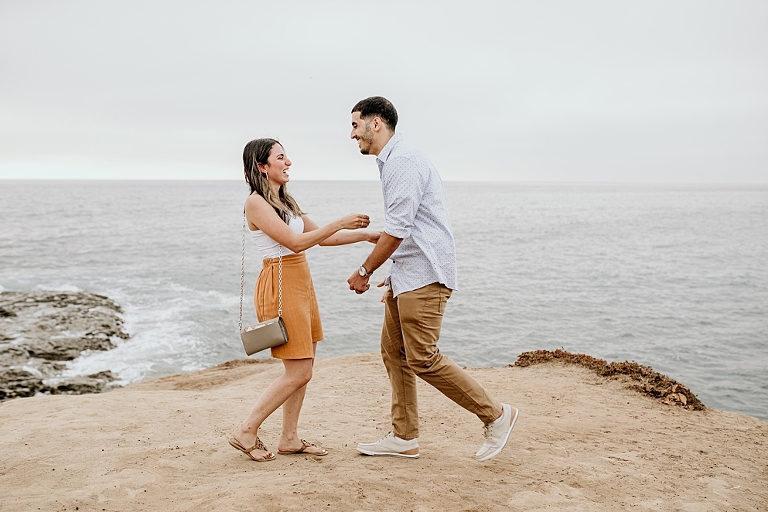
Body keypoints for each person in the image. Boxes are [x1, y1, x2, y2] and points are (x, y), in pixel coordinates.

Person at [346, 97, 518, 462]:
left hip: (425, 275)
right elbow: (407, 228)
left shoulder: (403, 162)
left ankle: (497, 415)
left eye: (355, 125)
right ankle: (404, 437)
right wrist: (394, 274)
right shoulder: (393, 161)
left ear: (376, 124)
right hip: (408, 274)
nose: (352, 134)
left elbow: (397, 228)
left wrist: (365, 271)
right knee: (394, 353)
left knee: (422, 357)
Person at [230, 138, 378, 461]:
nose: (289, 163)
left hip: (300, 281)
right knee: (299, 371)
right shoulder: (255, 203)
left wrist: (367, 236)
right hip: (280, 283)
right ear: (262, 166)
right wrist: (339, 220)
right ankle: (246, 429)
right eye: (281, 158)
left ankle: (289, 437)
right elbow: (296, 243)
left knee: (306, 364)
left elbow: (325, 239)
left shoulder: (285, 200)